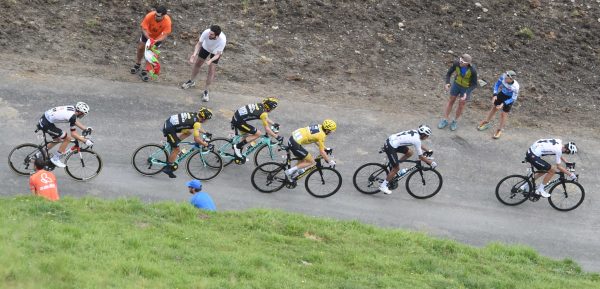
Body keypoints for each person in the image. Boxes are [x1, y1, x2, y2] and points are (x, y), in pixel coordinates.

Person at [379, 125, 437, 195]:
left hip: (392, 141)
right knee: (396, 168)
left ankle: (395, 165)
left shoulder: (416, 133)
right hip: (391, 146)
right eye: (427, 135)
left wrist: (428, 150)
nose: (427, 137)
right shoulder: (417, 140)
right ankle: (383, 186)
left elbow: (418, 144)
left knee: (410, 152)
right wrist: (431, 163)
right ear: (423, 134)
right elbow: (421, 157)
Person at [37, 102, 93, 168]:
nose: (82, 115)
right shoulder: (72, 116)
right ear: (80, 112)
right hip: (46, 124)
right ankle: (56, 158)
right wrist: (85, 141)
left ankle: (40, 153)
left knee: (58, 139)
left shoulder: (73, 109)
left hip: (45, 119)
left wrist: (85, 128)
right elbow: (73, 134)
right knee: (67, 138)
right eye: (83, 114)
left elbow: (74, 122)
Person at [162, 107, 213, 178]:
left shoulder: (194, 115)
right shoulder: (197, 123)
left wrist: (205, 132)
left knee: (189, 131)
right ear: (204, 118)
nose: (206, 121)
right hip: (169, 129)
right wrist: (206, 144)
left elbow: (196, 127)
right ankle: (168, 168)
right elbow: (196, 139)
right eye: (207, 119)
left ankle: (175, 142)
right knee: (176, 149)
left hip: (169, 122)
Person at [181, 25, 227, 102]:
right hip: (206, 47)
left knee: (211, 70)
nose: (209, 35)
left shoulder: (222, 40)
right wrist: (194, 54)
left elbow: (218, 54)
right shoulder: (206, 32)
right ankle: (191, 81)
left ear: (217, 35)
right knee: (198, 63)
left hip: (215, 52)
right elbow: (199, 44)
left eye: (211, 34)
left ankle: (206, 91)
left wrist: (210, 60)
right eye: (209, 33)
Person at [438, 54, 478, 131]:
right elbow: (449, 73)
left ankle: (455, 121)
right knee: (451, 100)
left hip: (466, 88)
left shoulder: (473, 70)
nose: (460, 62)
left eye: (462, 62)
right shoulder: (456, 63)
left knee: (461, 104)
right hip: (456, 84)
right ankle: (445, 119)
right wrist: (447, 83)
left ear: (467, 63)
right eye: (460, 60)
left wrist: (467, 92)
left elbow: (474, 84)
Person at [130, 6, 172, 75]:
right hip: (147, 34)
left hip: (157, 38)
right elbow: (143, 28)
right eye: (155, 14)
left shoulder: (167, 21)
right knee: (141, 47)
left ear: (163, 16)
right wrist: (149, 38)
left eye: (158, 16)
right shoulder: (150, 16)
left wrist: (156, 41)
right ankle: (138, 64)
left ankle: (146, 69)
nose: (155, 16)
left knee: (151, 52)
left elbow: (165, 34)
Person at [477, 70, 520, 139]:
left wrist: (503, 104)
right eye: (505, 77)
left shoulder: (516, 86)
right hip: (502, 94)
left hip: (509, 98)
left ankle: (500, 129)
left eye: (506, 78)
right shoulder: (503, 77)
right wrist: (495, 94)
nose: (505, 78)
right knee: (494, 107)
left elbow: (513, 98)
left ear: (511, 79)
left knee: (503, 114)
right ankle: (487, 122)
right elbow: (497, 84)